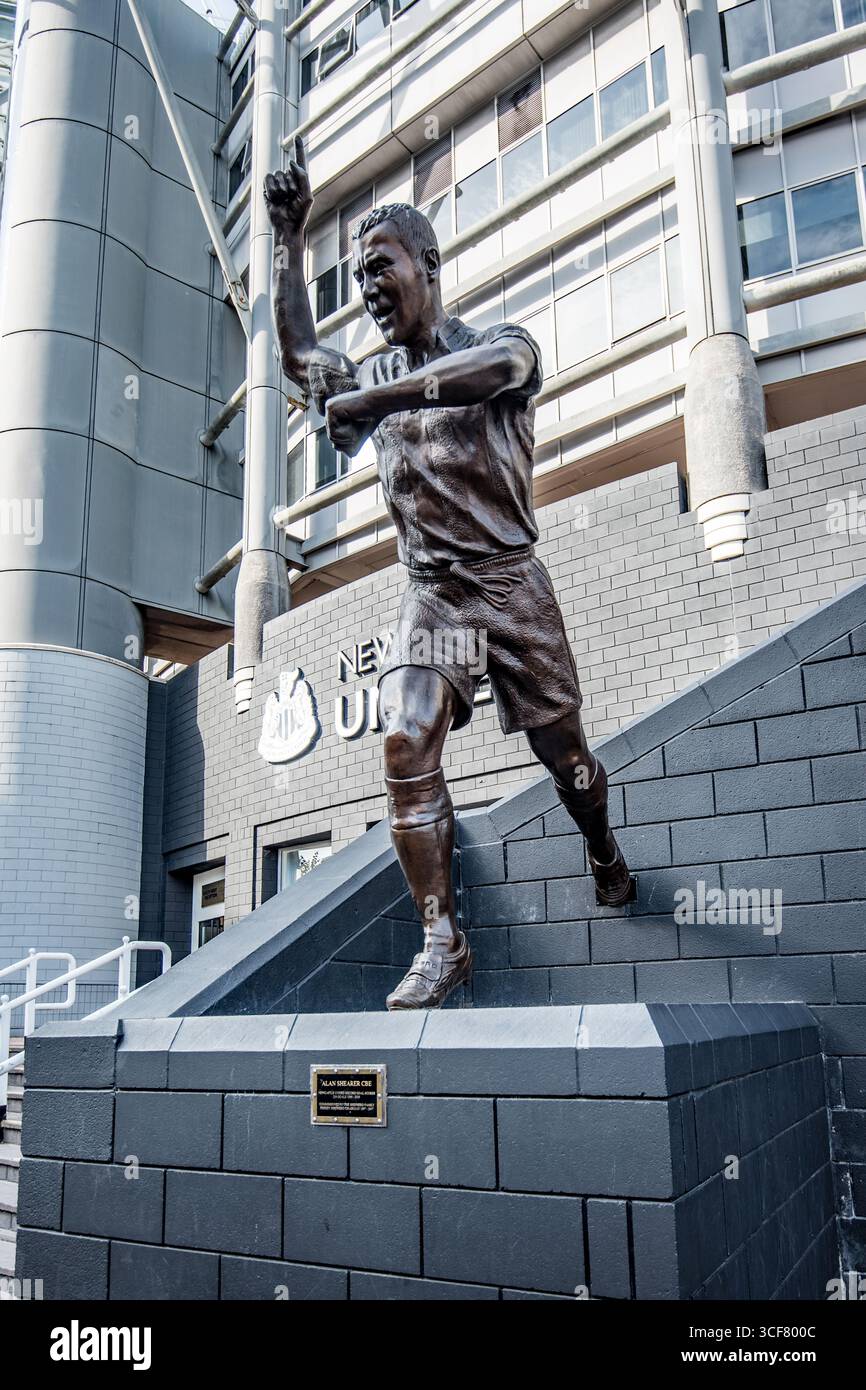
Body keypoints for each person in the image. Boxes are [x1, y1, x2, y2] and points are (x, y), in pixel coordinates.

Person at [265, 138, 634, 1012]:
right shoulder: (368, 370)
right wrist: (286, 237)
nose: (367, 292)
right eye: (355, 280)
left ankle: (604, 851)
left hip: (512, 584)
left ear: (428, 265)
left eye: (380, 269)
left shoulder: (501, 345)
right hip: (435, 596)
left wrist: (376, 400)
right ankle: (443, 937)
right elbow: (296, 357)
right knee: (404, 738)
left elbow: (492, 374)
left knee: (569, 761)